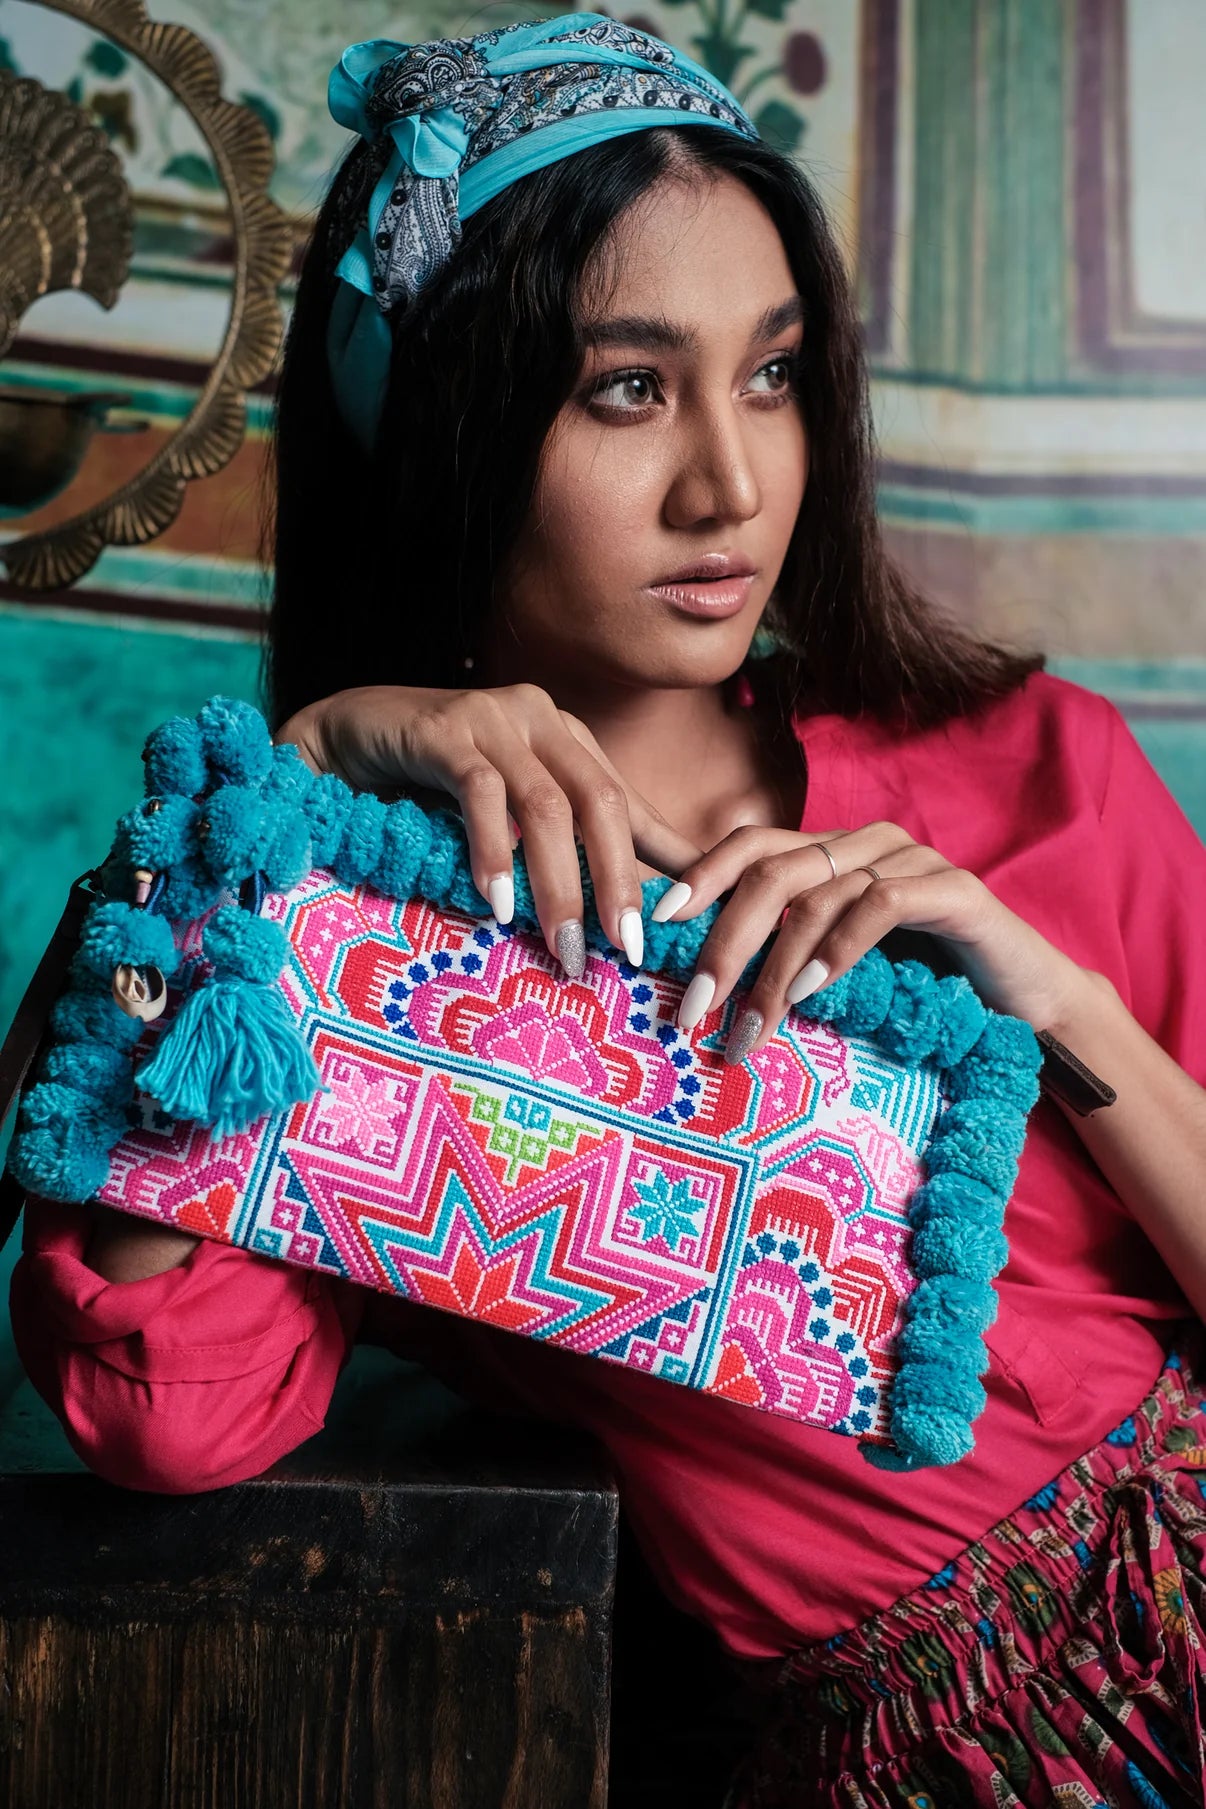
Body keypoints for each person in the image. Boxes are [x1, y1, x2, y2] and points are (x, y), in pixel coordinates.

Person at [10, 16, 1206, 1805]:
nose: (730, 483)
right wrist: (298, 784)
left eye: (776, 373)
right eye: (627, 388)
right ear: (448, 425)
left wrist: (1061, 1005)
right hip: (941, 1762)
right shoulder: (361, 935)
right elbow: (166, 1414)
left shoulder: (1030, 762)